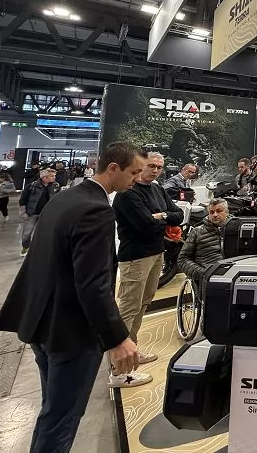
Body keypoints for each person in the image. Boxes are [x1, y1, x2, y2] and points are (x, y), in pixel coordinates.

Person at [0, 142, 145, 453]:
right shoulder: (97, 210)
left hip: (41, 323)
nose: (136, 179)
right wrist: (118, 337)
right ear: (112, 168)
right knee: (62, 419)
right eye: (133, 172)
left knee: (53, 412)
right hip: (71, 332)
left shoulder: (66, 197)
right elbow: (93, 283)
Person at [111, 152, 183, 386]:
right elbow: (145, 224)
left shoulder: (157, 189)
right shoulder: (127, 193)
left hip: (156, 253)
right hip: (135, 257)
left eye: (159, 167)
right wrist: (162, 219)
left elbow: (178, 215)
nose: (155, 170)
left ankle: (131, 350)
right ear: (141, 165)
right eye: (151, 166)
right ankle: (118, 370)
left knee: (143, 303)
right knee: (129, 307)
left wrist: (160, 216)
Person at [178, 198, 229, 281]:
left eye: (219, 211)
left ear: (227, 212)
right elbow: (182, 260)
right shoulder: (197, 232)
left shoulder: (237, 230)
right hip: (206, 278)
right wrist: (202, 273)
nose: (215, 215)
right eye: (211, 212)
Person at [19, 168, 61, 256]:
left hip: (47, 215)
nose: (54, 178)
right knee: (26, 234)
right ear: (44, 177)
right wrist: (23, 213)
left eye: (54, 176)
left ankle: (41, 250)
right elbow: (23, 200)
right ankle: (25, 247)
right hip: (32, 213)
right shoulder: (32, 186)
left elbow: (58, 200)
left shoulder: (56, 186)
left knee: (45, 234)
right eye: (52, 176)